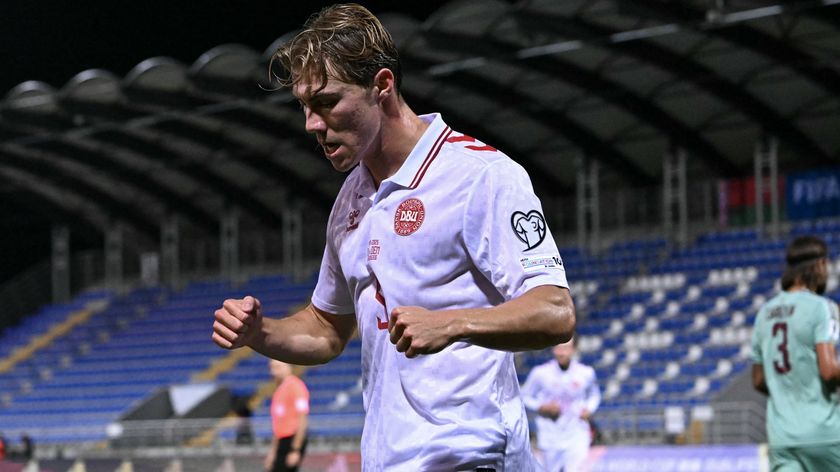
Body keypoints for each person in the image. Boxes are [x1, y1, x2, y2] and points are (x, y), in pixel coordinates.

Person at [212, 4, 575, 470]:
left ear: (382, 86)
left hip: (470, 456)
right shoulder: (350, 201)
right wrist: (259, 332)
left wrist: (452, 323)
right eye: (304, 106)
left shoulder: (480, 175)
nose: (312, 124)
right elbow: (326, 329)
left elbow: (555, 311)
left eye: (327, 102)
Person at [751, 235, 840, 471]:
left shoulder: (764, 314)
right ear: (820, 265)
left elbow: (758, 380)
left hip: (781, 438)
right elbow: (829, 371)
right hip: (824, 434)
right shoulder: (822, 307)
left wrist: (788, 389)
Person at [521, 337, 600, 472]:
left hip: (577, 434)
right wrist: (541, 406)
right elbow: (524, 395)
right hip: (550, 436)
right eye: (558, 347)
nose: (562, 352)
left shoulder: (586, 373)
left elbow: (594, 395)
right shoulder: (540, 373)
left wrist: (589, 409)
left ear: (574, 349)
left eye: (566, 348)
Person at [265, 360, 309, 472]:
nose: (273, 371)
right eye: (272, 368)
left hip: (291, 439)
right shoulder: (279, 390)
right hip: (281, 441)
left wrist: (295, 449)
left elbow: (302, 417)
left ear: (288, 366)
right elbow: (277, 425)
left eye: (278, 367)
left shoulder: (296, 386)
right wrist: (273, 452)